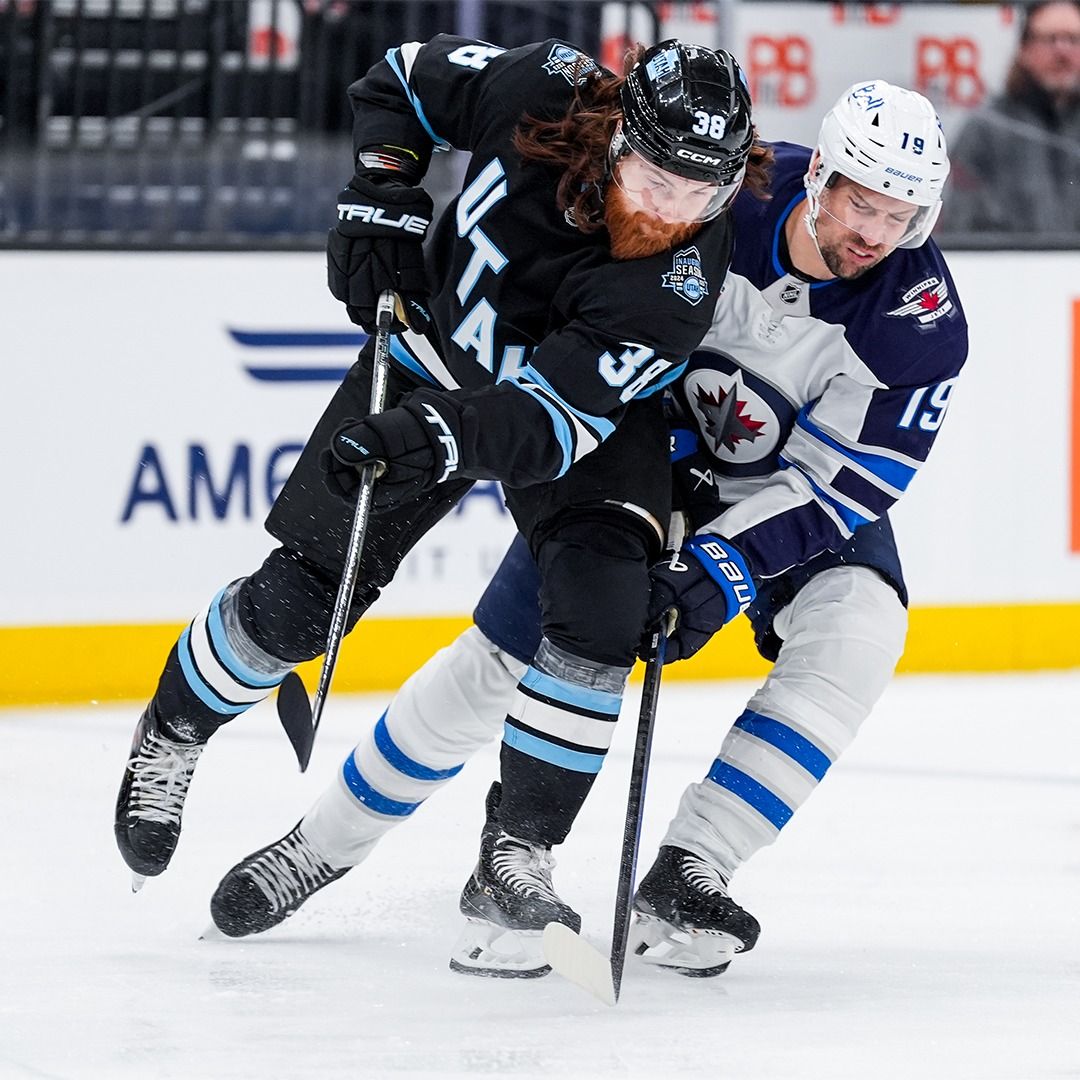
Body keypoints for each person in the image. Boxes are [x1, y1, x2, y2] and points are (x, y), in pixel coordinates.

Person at [207, 79, 968, 981]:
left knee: (861, 627)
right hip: (636, 456)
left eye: (904, 216)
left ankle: (693, 869)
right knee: (502, 660)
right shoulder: (729, 191)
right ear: (823, 178)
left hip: (777, 500)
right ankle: (319, 845)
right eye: (864, 205)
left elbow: (845, 485)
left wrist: (722, 563)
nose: (878, 235)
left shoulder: (920, 321)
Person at [114, 35, 767, 920]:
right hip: (429, 355)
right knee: (302, 602)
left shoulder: (679, 281)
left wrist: (440, 436)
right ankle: (176, 726)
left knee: (605, 606)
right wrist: (383, 189)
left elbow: (549, 422)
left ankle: (516, 854)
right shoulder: (543, 85)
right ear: (619, 134)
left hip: (574, 421)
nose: (673, 210)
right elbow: (399, 76)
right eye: (658, 180)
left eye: (704, 191)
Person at [945, 0, 1080, 235]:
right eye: (1049, 39)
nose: (1062, 50)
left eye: (1073, 39)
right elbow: (962, 224)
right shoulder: (986, 130)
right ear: (1024, 48)